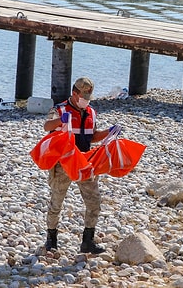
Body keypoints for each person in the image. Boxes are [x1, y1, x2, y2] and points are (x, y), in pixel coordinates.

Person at [43, 77, 111, 254]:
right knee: (56, 203)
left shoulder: (91, 112)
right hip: (62, 163)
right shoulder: (59, 109)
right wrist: (60, 120)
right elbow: (47, 126)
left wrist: (109, 132)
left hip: (84, 163)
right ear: (74, 93)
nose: (86, 101)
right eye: (83, 97)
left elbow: (92, 136)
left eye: (88, 97)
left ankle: (88, 241)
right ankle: (51, 240)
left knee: (94, 202)